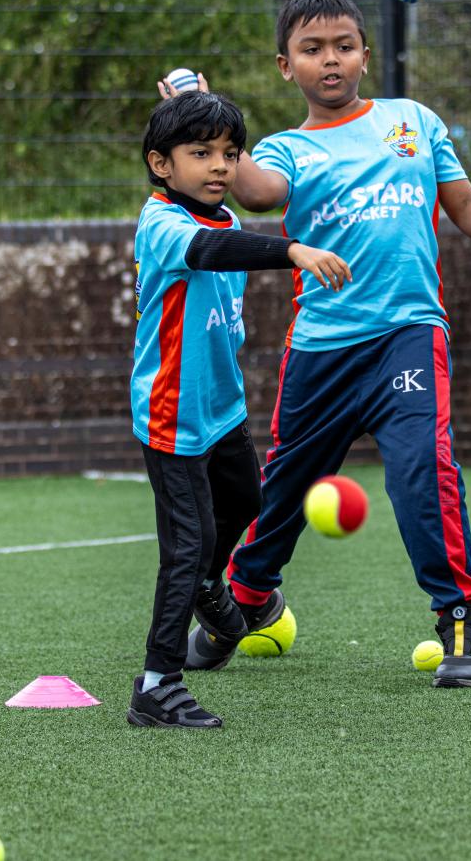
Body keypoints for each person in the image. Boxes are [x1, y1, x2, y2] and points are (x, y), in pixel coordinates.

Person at [166, 0, 471, 688]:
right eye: (311, 49)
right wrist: (197, 105)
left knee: (422, 472)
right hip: (322, 349)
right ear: (285, 65)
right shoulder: (287, 148)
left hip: (408, 335)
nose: (329, 59)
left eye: (342, 45)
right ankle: (240, 604)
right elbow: (253, 191)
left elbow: (464, 202)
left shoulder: (413, 121)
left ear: (365, 52)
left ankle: (462, 624)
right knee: (280, 493)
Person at [127, 90, 350, 728]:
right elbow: (209, 252)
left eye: (229, 153)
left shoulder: (220, 217)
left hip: (220, 409)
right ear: (161, 164)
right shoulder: (164, 223)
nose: (220, 165)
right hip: (172, 413)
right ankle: (156, 684)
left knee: (247, 505)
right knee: (187, 545)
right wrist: (292, 250)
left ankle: (203, 584)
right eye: (200, 153)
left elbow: (228, 238)